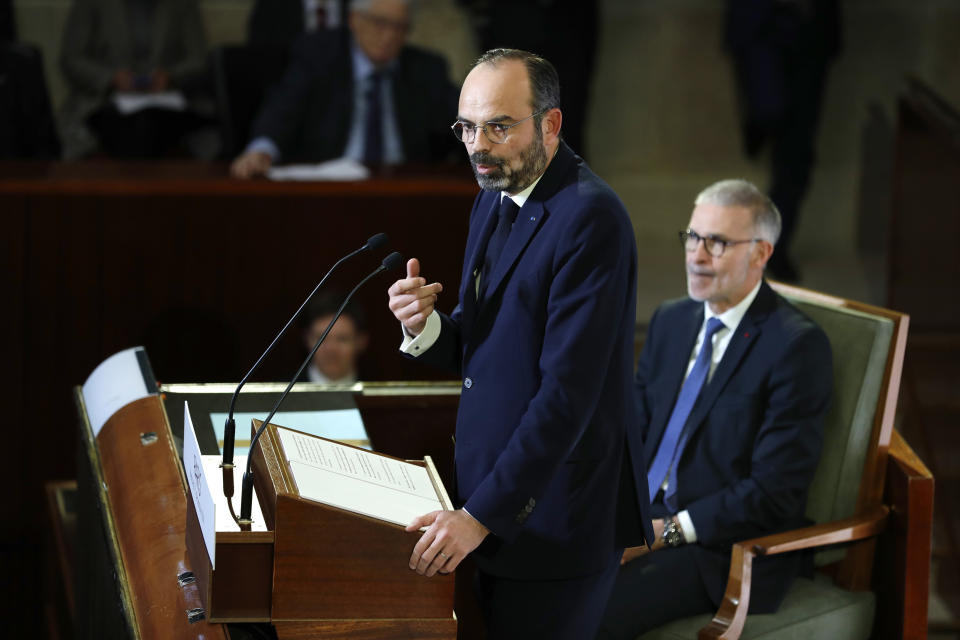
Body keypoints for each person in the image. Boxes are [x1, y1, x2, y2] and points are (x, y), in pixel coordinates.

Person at [386, 48, 653, 638]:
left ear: (550, 125)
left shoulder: (590, 219)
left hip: (557, 518)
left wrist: (479, 516)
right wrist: (422, 326)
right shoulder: (494, 195)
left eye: (498, 126)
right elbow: (479, 350)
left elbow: (567, 397)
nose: (478, 145)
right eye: (467, 127)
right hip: (492, 506)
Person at [597, 179, 833, 638]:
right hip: (643, 514)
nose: (696, 256)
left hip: (721, 548)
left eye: (717, 243)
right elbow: (632, 429)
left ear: (760, 254)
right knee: (532, 573)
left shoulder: (796, 347)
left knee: (589, 610)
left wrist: (661, 532)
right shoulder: (671, 319)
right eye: (692, 237)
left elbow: (773, 492)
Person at [231, 0, 459, 178]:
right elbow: (281, 112)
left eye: (399, 27)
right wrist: (261, 152)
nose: (389, 36)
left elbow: (465, 121)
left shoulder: (426, 69)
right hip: (332, 188)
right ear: (354, 20)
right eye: (379, 23)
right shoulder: (318, 56)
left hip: (404, 188)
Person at [724, 0, 841, 281]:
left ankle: (773, 243)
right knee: (768, 110)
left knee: (796, 153)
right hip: (761, 24)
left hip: (809, 28)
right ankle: (759, 122)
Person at [58, 0, 213, 159]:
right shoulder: (91, 4)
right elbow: (71, 59)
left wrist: (171, 76)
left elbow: (199, 60)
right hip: (103, 102)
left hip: (169, 102)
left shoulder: (182, 4)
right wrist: (111, 78)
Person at [300, 292, 369, 384]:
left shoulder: (379, 394)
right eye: (321, 339)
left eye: (342, 339)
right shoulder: (279, 393)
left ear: (361, 341)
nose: (331, 349)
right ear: (307, 339)